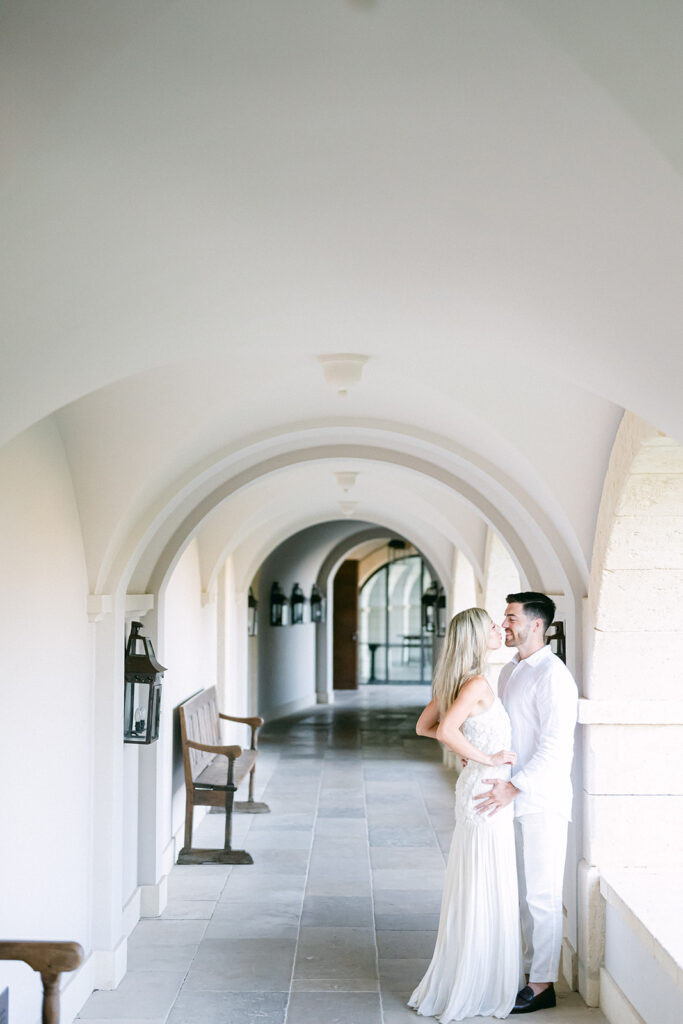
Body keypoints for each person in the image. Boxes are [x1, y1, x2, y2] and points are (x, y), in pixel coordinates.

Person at [409, 607, 522, 1021]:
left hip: (477, 788)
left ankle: (472, 974)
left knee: (478, 879)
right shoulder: (474, 683)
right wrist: (482, 756)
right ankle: (478, 981)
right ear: (478, 637)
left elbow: (425, 726)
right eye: (492, 625)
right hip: (485, 793)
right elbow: (442, 731)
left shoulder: (459, 681)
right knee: (484, 879)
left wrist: (469, 755)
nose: (499, 629)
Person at [473, 592, 578, 1015]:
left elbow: (555, 748)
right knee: (517, 893)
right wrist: (478, 754)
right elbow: (503, 733)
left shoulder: (554, 676)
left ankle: (542, 983)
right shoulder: (509, 672)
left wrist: (515, 787)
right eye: (505, 617)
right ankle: (524, 969)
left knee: (542, 894)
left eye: (512, 617)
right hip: (509, 795)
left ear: (538, 624)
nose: (505, 624)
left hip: (541, 800)